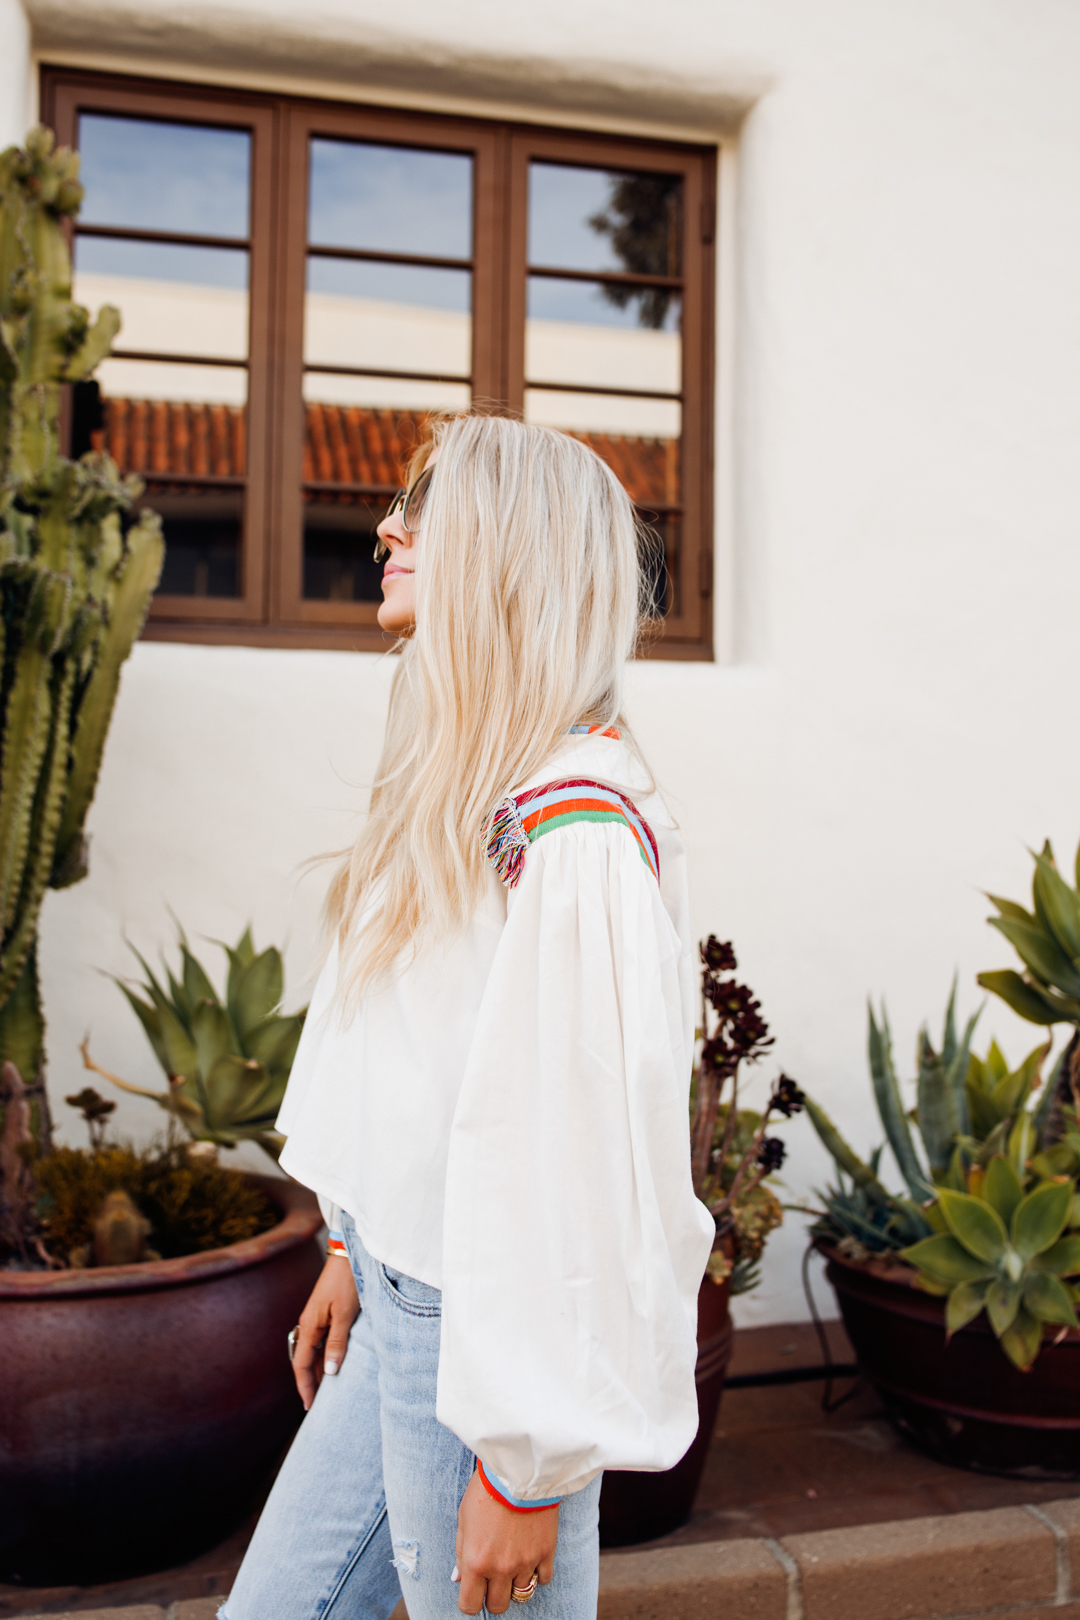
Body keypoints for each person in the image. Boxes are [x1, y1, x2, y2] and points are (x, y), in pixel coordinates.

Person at [221, 413, 714, 1620]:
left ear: (505, 553)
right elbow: (396, 1042)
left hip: (486, 1343)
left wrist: (523, 1464)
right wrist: (349, 1239)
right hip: (400, 1294)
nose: (385, 527)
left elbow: (583, 1170)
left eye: (424, 511)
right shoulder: (460, 775)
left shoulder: (574, 826)